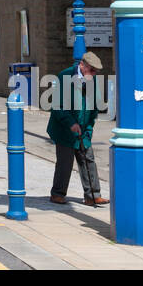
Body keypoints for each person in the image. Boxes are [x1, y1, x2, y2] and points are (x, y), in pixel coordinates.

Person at [47, 52, 108, 207]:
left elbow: (94, 109)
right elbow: (58, 107)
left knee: (88, 159)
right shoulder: (65, 76)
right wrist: (71, 123)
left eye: (96, 72)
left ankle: (92, 196)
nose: (94, 74)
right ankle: (57, 194)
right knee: (65, 162)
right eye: (91, 70)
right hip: (64, 128)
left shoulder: (92, 82)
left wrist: (88, 129)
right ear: (82, 65)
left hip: (83, 127)